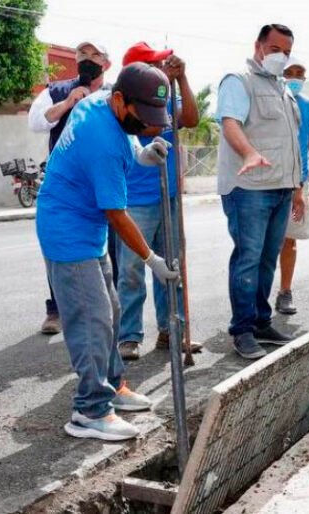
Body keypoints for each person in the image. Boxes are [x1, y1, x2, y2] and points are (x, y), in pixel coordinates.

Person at [36, 63, 178, 441]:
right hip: (68, 230)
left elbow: (126, 136)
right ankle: (90, 410)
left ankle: (112, 385)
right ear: (120, 99)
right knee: (91, 318)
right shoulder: (105, 143)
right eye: (142, 117)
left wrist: (143, 152)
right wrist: (152, 259)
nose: (147, 125)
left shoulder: (101, 103)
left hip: (87, 227)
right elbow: (116, 213)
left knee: (111, 310)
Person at [216, 23, 305, 360]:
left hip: (281, 187)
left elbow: (289, 143)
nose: (280, 56)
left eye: (286, 51)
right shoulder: (238, 80)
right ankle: (242, 329)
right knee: (248, 259)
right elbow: (230, 123)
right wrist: (249, 152)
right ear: (258, 46)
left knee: (268, 259)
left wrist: (296, 186)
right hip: (249, 188)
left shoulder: (282, 87)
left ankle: (260, 321)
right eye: (274, 49)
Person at [116, 42, 203, 360]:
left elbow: (191, 119)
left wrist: (182, 80)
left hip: (168, 198)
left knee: (172, 268)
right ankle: (129, 335)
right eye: (155, 64)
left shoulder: (164, 100)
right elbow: (148, 126)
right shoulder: (125, 103)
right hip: (133, 203)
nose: (163, 66)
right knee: (132, 272)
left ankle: (173, 331)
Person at [29, 41, 111, 336]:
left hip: (103, 182)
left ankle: (107, 314)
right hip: (66, 187)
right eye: (82, 55)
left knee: (107, 251)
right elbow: (36, 122)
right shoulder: (57, 90)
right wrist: (68, 103)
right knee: (62, 247)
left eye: (94, 55)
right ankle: (57, 310)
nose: (87, 60)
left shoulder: (114, 93)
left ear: (107, 63)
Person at [275, 57, 309, 315]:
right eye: (289, 72)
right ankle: (254, 298)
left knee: (289, 240)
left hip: (298, 184)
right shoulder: (270, 102)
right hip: (269, 183)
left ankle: (285, 291)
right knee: (260, 245)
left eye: (300, 72)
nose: (295, 77)